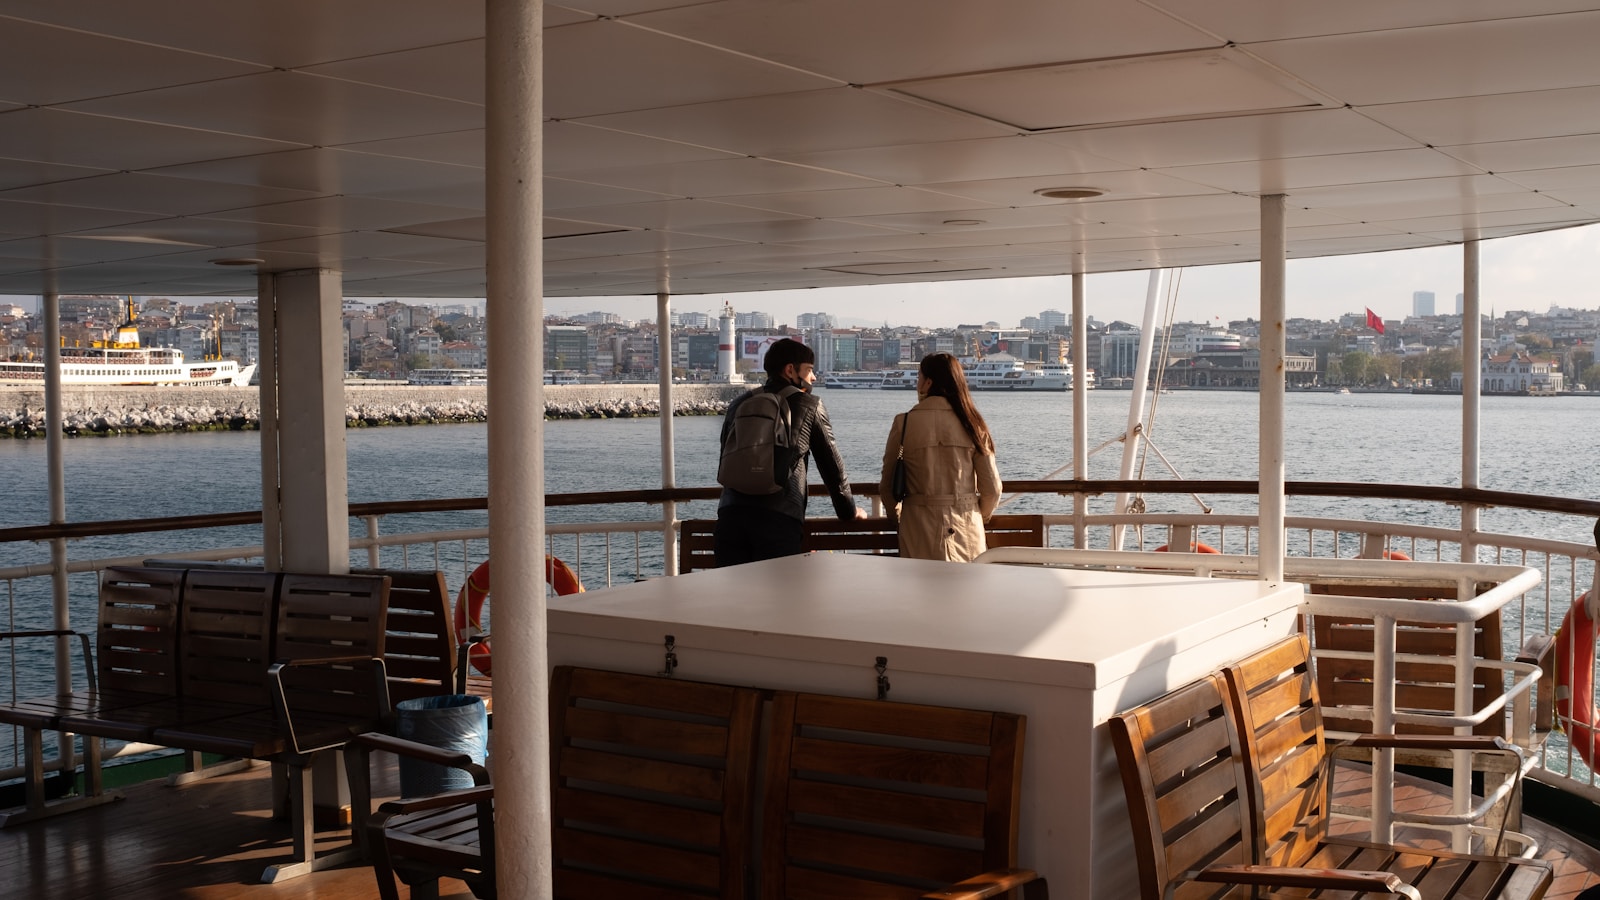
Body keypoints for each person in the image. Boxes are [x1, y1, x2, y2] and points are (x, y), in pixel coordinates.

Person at [715, 338, 861, 566]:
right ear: (790, 370)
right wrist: (848, 512)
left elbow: (727, 454)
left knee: (734, 589)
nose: (814, 377)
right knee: (778, 589)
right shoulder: (809, 404)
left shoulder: (739, 403)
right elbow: (832, 467)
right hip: (779, 520)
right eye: (809, 370)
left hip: (730, 516)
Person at [881, 353, 1001, 562]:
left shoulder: (904, 423)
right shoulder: (973, 424)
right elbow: (991, 489)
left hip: (917, 526)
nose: (917, 383)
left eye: (919, 377)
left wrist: (897, 517)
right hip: (966, 526)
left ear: (928, 382)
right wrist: (976, 514)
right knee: (968, 582)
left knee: (919, 582)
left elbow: (887, 486)